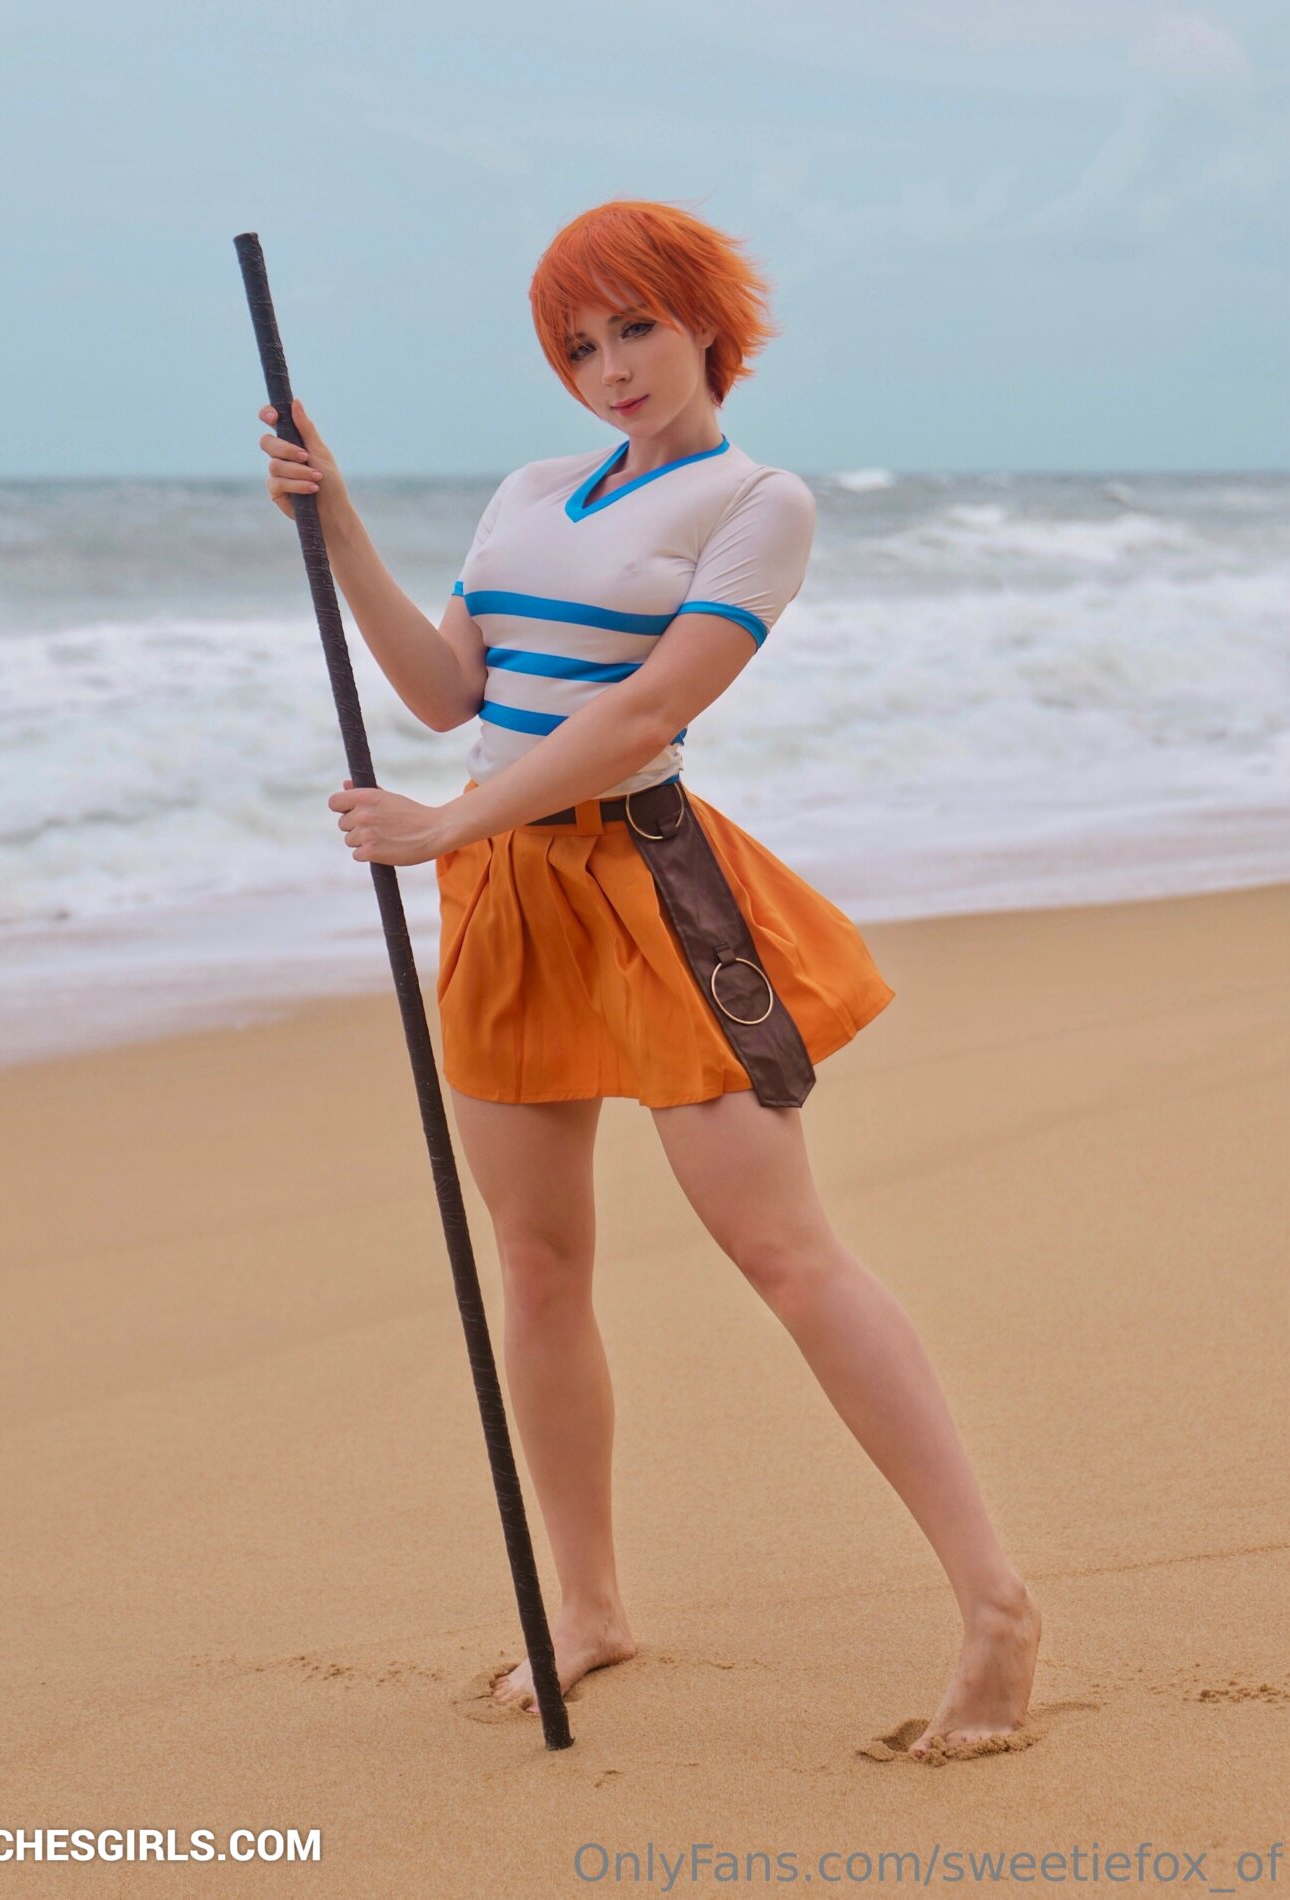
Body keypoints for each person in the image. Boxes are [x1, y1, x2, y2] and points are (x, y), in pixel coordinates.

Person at [256, 199, 1040, 1761]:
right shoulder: (530, 492)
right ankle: (591, 1606)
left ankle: (997, 1609)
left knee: (784, 1253)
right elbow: (447, 695)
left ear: (705, 325)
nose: (610, 367)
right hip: (505, 894)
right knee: (539, 1264)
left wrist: (443, 826)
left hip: (652, 886)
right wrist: (335, 522)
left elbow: (640, 715)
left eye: (636, 328)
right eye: (579, 344)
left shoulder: (758, 502)